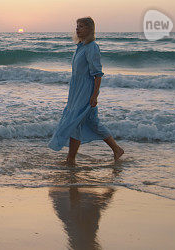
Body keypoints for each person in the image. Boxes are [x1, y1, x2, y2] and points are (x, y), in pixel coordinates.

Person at [48, 17, 124, 165]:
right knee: (91, 122)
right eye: (77, 26)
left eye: (81, 26)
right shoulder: (81, 47)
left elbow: (97, 74)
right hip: (76, 92)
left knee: (75, 122)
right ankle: (116, 149)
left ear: (90, 29)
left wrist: (94, 95)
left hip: (86, 92)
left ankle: (71, 159)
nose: (77, 29)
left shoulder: (92, 47)